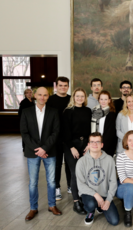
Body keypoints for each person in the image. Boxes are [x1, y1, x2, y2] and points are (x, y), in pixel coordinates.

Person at [20, 87, 62, 221]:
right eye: (40, 95)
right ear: (35, 96)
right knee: (33, 182)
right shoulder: (26, 112)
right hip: (33, 152)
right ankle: (33, 208)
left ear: (48, 97)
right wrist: (38, 149)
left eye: (45, 95)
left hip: (50, 151)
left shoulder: (53, 112)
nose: (42, 97)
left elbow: (56, 132)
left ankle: (52, 205)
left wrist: (44, 148)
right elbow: (24, 133)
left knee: (51, 181)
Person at [76, 132, 119, 226]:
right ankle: (91, 212)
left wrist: (108, 200)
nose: (94, 144)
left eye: (97, 142)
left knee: (114, 221)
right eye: (92, 142)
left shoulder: (109, 160)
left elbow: (113, 182)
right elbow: (81, 185)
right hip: (89, 194)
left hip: (104, 194)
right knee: (91, 204)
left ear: (102, 145)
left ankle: (100, 206)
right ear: (88, 144)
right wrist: (96, 195)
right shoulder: (81, 162)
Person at [62, 87, 92, 215]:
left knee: (85, 173)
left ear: (85, 98)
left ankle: (83, 197)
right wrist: (72, 147)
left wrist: (89, 144)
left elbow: (91, 129)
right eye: (77, 96)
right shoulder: (68, 112)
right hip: (71, 145)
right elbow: (64, 131)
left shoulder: (88, 111)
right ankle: (76, 202)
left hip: (85, 144)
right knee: (75, 173)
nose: (80, 98)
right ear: (73, 97)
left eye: (82, 96)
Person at [46, 77, 72, 201]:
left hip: (68, 137)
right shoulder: (50, 100)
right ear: (56, 86)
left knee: (69, 162)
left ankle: (70, 185)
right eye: (60, 85)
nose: (63, 87)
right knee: (56, 164)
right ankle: (56, 187)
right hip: (55, 138)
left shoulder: (71, 99)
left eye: (65, 85)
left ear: (68, 86)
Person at [91, 91, 117, 157]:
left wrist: (101, 146)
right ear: (99, 100)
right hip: (94, 144)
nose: (103, 101)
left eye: (106, 99)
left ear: (109, 100)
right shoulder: (94, 111)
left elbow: (110, 134)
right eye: (101, 99)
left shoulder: (112, 114)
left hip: (107, 145)